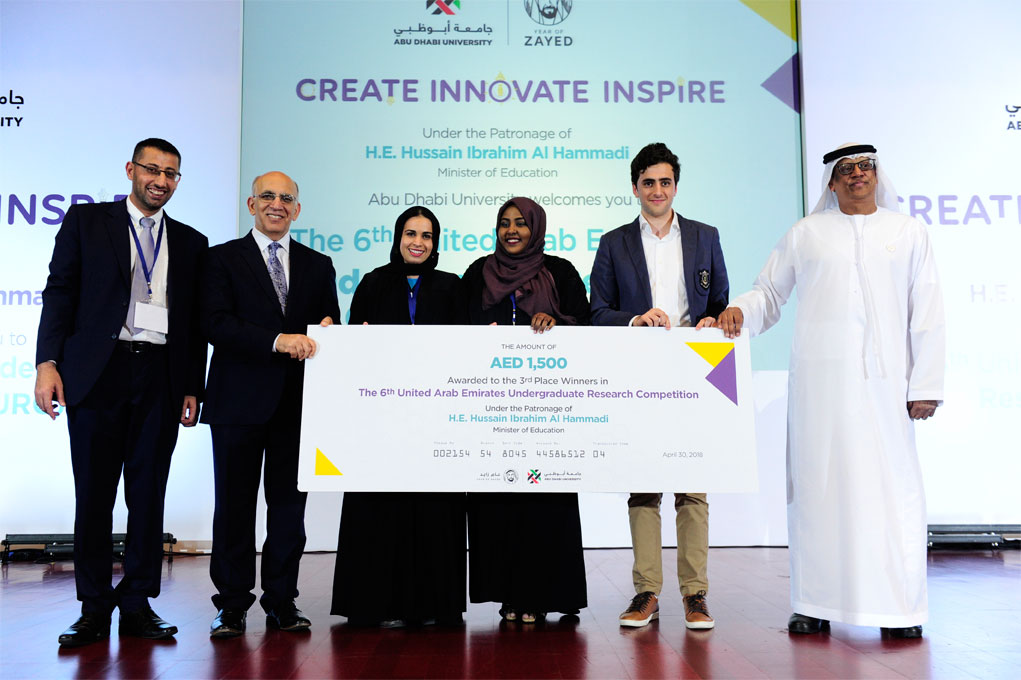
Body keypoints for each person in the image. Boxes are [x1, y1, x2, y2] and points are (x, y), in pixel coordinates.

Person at [717, 143, 945, 639]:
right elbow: (770, 293)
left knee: (892, 492)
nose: (857, 175)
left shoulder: (907, 232)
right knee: (818, 490)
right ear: (831, 181)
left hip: (888, 389)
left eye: (865, 166)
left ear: (877, 175)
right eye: (846, 169)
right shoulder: (806, 234)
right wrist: (741, 312)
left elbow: (926, 310)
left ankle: (899, 609)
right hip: (819, 388)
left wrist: (925, 382)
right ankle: (813, 602)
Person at [35, 138, 208, 646]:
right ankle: (92, 607)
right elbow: (59, 291)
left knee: (148, 494)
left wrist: (192, 385)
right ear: (131, 170)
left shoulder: (192, 242)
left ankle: (136, 603)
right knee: (94, 494)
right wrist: (48, 363)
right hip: (96, 373)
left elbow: (194, 322)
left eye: (171, 174)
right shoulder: (87, 223)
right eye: (152, 169)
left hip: (160, 375)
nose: (160, 180)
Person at [589, 142, 729, 630]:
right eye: (648, 182)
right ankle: (646, 591)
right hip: (639, 372)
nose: (657, 190)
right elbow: (596, 312)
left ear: (676, 186)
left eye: (665, 181)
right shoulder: (613, 242)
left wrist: (712, 319)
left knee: (694, 488)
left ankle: (696, 595)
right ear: (635, 188)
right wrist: (634, 319)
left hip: (695, 372)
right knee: (644, 486)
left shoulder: (705, 236)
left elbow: (722, 301)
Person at [201, 171, 340, 638]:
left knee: (287, 512)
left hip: (299, 407)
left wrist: (326, 328)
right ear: (251, 204)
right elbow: (216, 324)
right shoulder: (219, 259)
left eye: (286, 198)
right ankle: (233, 606)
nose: (276, 204)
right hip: (237, 402)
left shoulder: (319, 265)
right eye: (267, 196)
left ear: (297, 209)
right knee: (234, 508)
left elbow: (328, 325)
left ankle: (282, 602)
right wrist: (279, 340)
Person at [331, 206, 468, 627]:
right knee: (381, 509)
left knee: (433, 511)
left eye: (427, 236)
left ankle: (431, 605)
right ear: (397, 237)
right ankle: (377, 602)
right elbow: (354, 343)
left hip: (435, 419)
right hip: (381, 421)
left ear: (436, 243)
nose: (418, 242)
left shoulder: (452, 286)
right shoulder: (373, 282)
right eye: (411, 233)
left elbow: (466, 348)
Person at [462, 196, 589, 623]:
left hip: (547, 410)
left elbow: (587, 325)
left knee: (545, 502)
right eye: (504, 223)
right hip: (491, 409)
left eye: (520, 223)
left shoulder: (561, 271)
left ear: (536, 228)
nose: (512, 230)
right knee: (499, 503)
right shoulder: (478, 273)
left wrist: (558, 323)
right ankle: (511, 595)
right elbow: (455, 330)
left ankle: (550, 593)